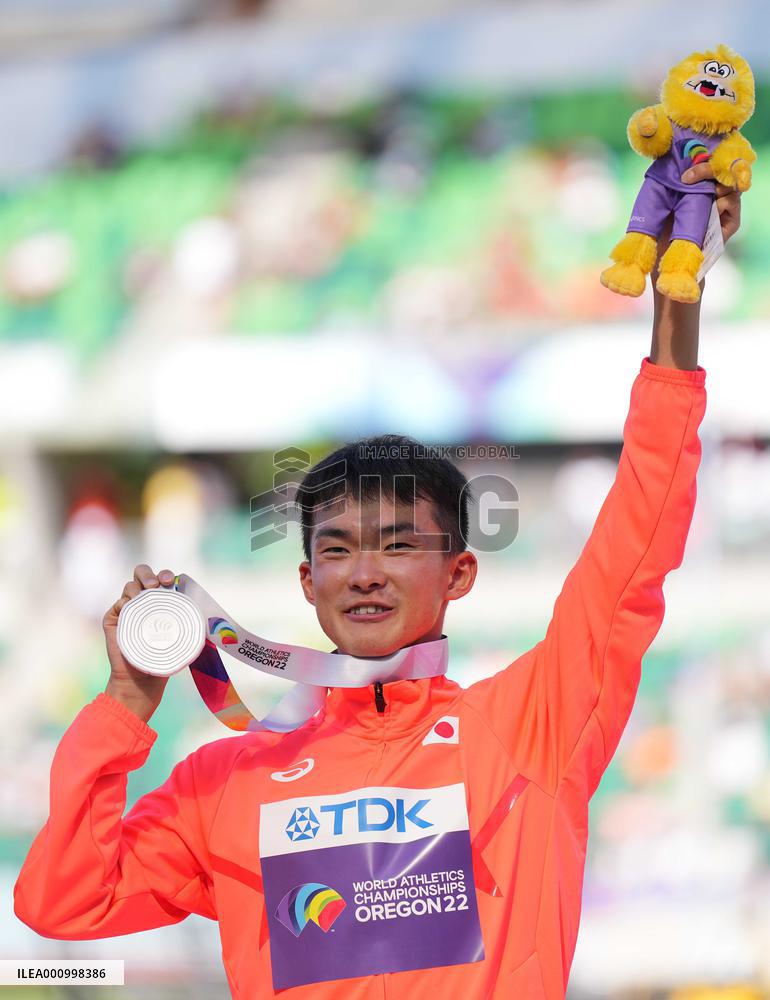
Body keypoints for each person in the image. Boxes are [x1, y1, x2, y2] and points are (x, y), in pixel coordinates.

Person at [14, 163, 742, 999]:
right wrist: (122, 707)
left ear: (459, 573)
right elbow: (63, 901)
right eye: (337, 550)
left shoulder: (528, 727)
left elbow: (635, 546)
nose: (364, 574)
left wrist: (677, 301)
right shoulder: (229, 779)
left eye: (397, 546)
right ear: (305, 579)